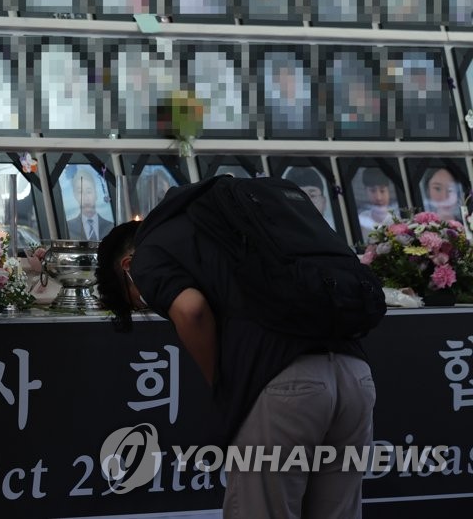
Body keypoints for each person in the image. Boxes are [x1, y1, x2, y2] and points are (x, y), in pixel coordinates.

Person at [95, 199, 375, 518]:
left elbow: (191, 309)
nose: (146, 304)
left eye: (134, 300)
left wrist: (222, 386)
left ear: (127, 267)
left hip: (283, 384)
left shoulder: (149, 253)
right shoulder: (225, 230)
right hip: (354, 375)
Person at [65, 166, 113, 241]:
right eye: (80, 192)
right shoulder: (68, 228)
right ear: (75, 195)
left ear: (96, 193)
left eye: (89, 191)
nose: (85, 197)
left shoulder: (111, 227)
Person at [356, 167, 398, 241]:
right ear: (365, 191)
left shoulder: (398, 218)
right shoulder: (361, 220)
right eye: (372, 191)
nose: (379, 198)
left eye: (382, 191)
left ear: (389, 190)